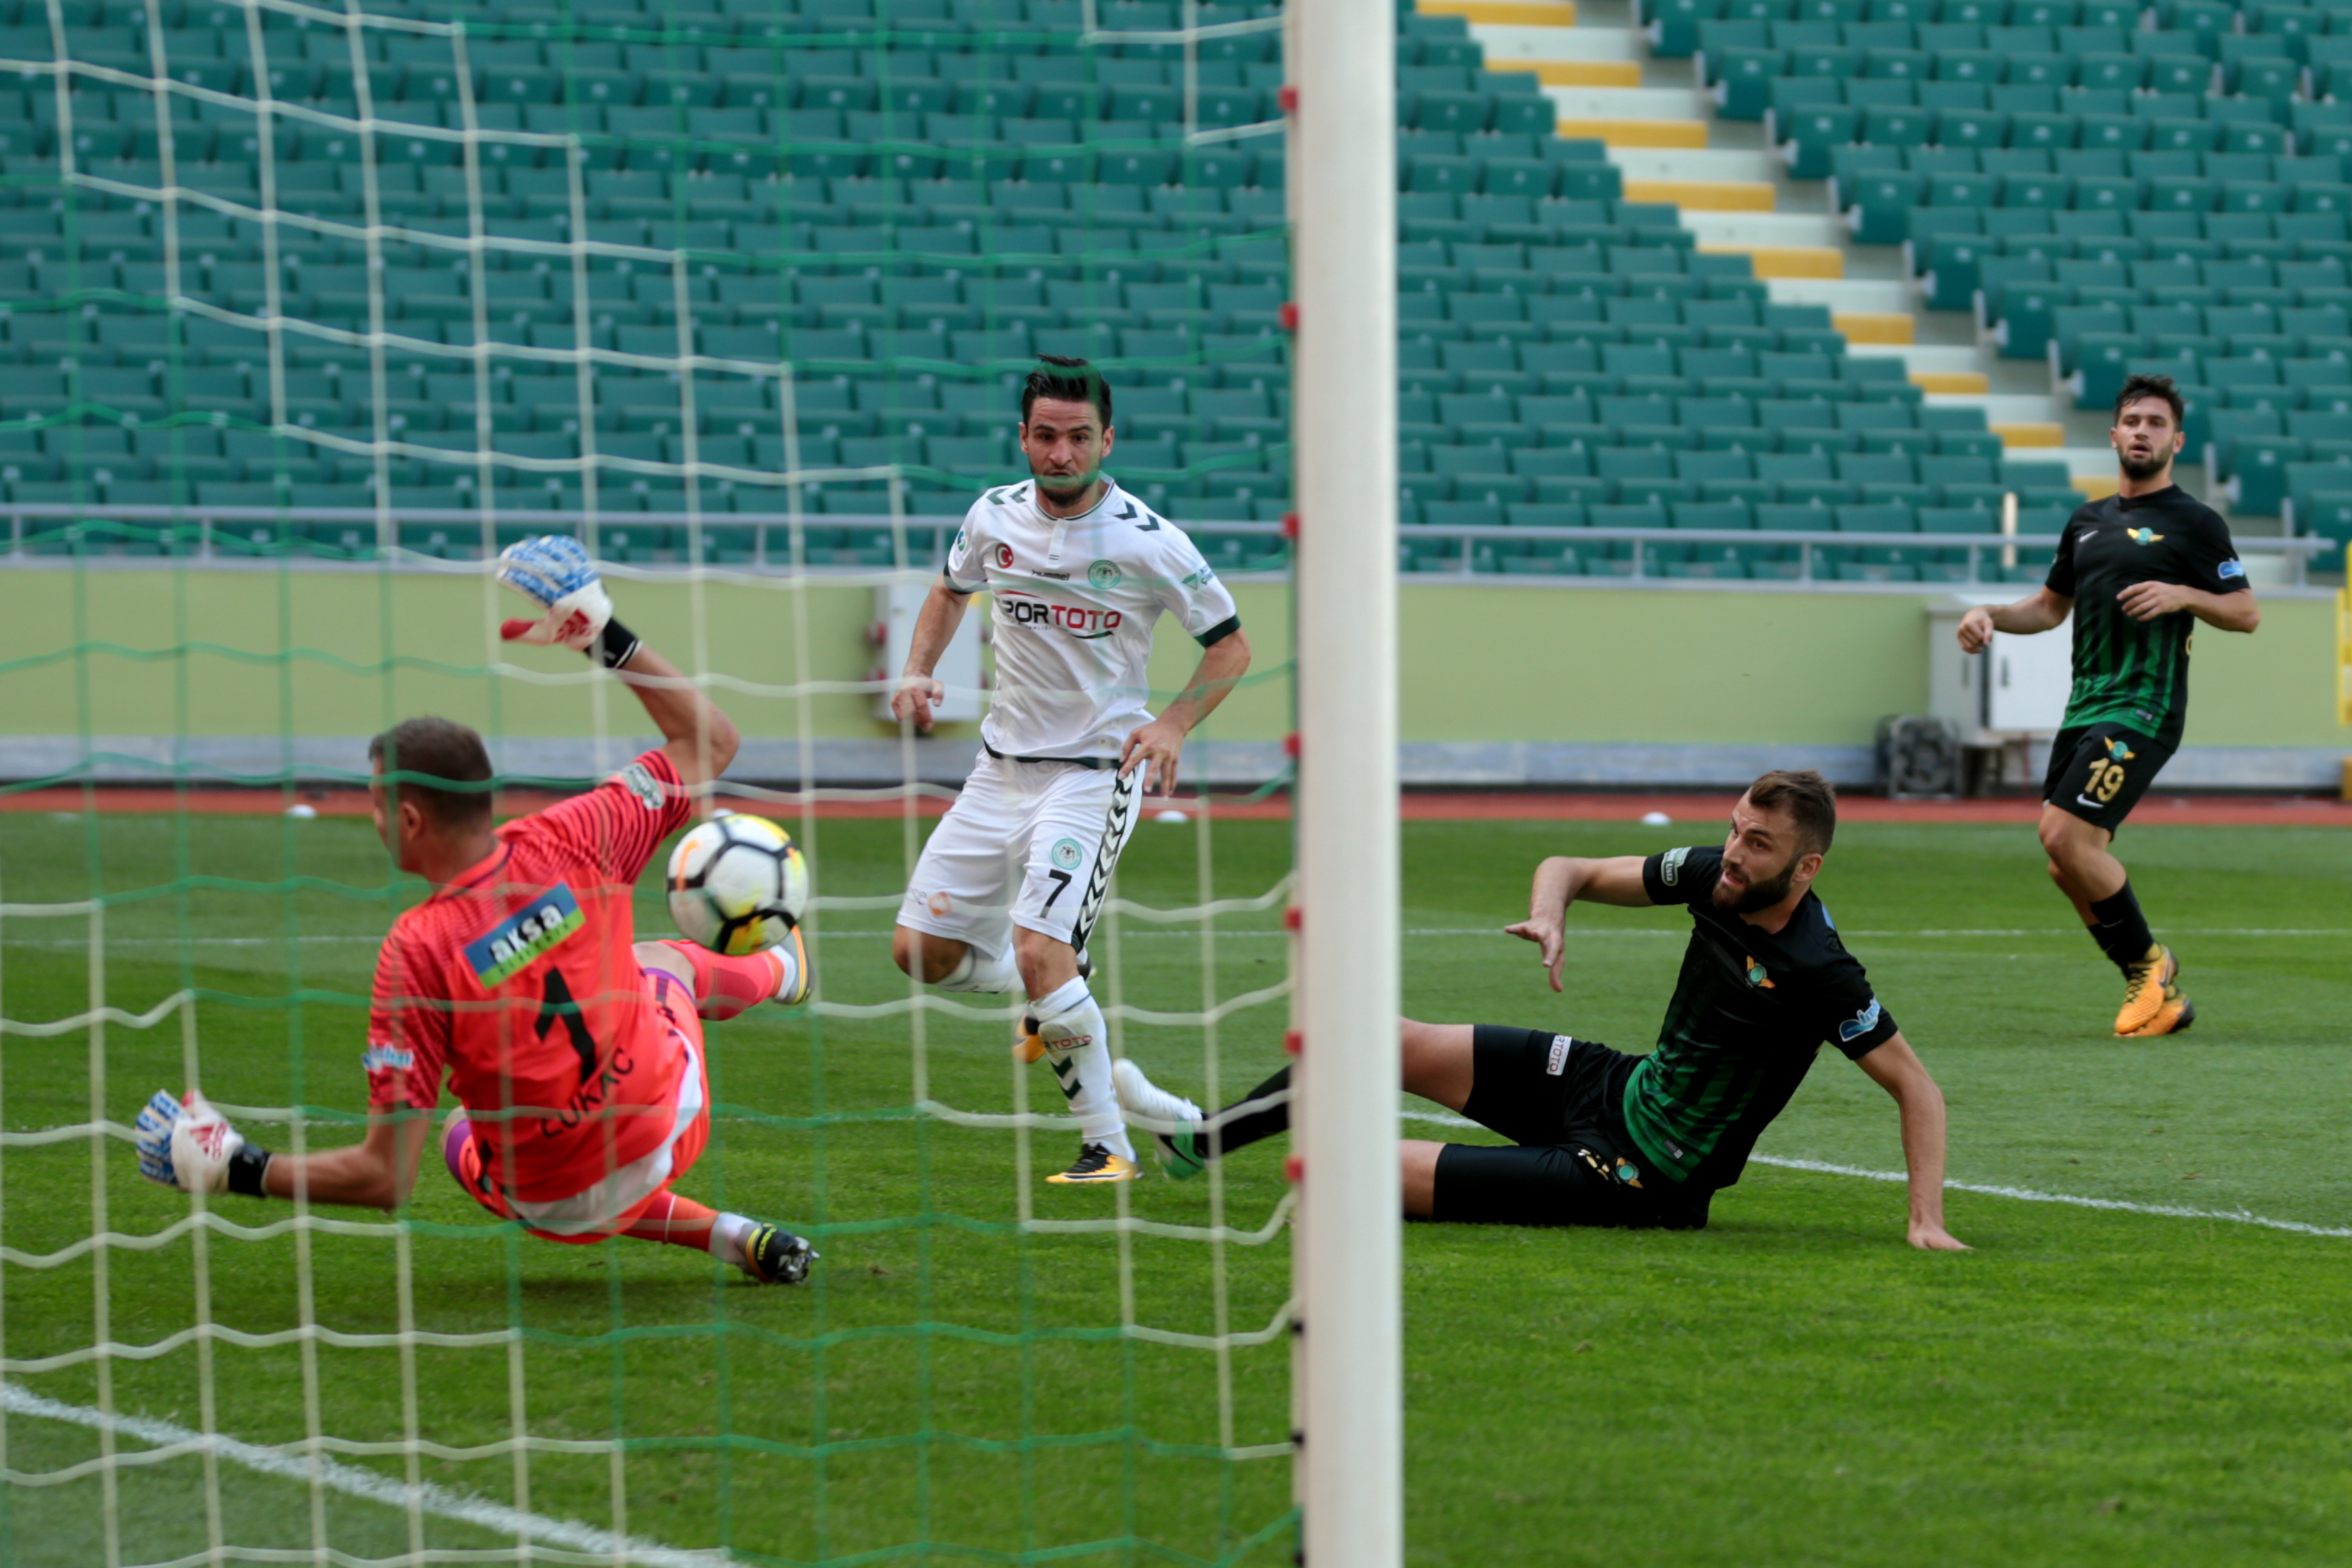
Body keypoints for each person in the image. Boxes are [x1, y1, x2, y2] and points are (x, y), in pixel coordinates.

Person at [135, 536, 819, 1284]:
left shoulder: (416, 950)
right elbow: (710, 740)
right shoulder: (578, 832)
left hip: (548, 1198)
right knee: (661, 962)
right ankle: (780, 969)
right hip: (671, 1122)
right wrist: (601, 632)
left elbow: (383, 1178)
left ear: (411, 819)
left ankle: (734, 1183)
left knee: (457, 1133)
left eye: (373, 804)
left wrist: (236, 1166)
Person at [1114, 771, 1969, 1250]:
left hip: (1645, 1177)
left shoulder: (1821, 972)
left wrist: (1922, 1221)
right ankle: (1199, 1143)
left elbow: (1918, 1090)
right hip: (1615, 1088)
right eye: (1737, 830)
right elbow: (1571, 864)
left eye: (1759, 844)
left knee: (1351, 1174)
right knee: (1372, 1041)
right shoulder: (1713, 878)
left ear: (1806, 867)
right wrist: (1551, 910)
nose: (1735, 855)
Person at [888, 355, 1253, 1185]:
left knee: (1039, 946)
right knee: (919, 953)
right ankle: (1062, 997)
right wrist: (918, 668)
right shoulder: (992, 516)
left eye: (1079, 438)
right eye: (1046, 436)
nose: (1061, 454)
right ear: (1022, 438)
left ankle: (1108, 1145)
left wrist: (1172, 723)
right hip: (997, 768)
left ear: (1107, 441)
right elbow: (950, 590)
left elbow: (1230, 643)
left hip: (1093, 774)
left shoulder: (1147, 541)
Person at [1956, 373, 2259, 1038]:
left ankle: (2150, 965)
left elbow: (2244, 612)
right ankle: (2159, 992)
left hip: (2143, 708)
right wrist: (1986, 614)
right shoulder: (2086, 521)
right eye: (2132, 421)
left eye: (2156, 423)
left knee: (2062, 835)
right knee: (2065, 860)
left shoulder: (2195, 523)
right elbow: (2045, 608)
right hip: (2083, 709)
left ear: (2175, 441)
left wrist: (2184, 597)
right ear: (2114, 434)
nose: (2142, 431)